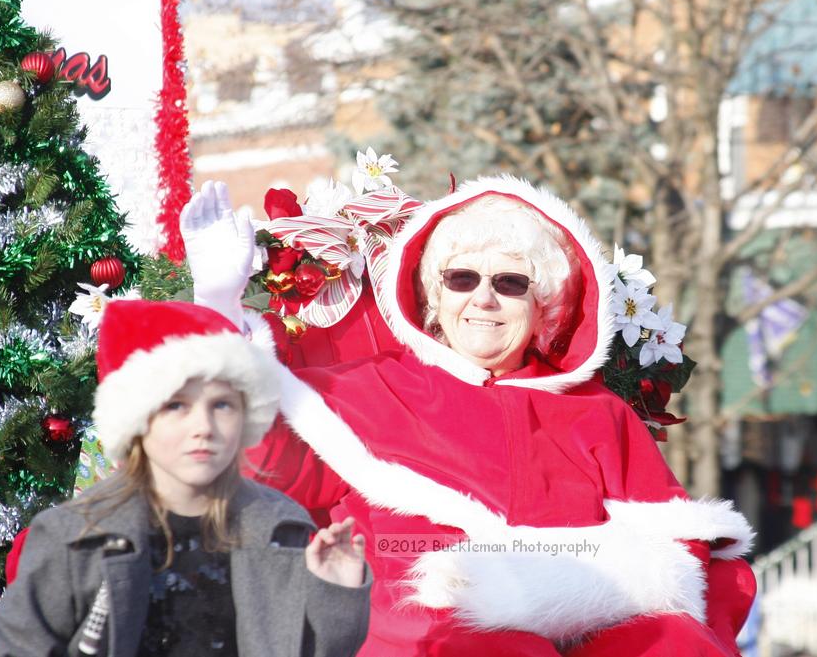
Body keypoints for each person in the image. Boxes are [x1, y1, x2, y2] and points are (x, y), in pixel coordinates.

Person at [183, 175, 758, 656]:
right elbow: (266, 458)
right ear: (436, 297)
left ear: (544, 306)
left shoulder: (597, 413)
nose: (483, 299)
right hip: (415, 628)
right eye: (462, 278)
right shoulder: (370, 389)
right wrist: (220, 305)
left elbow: (684, 553)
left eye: (510, 283)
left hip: (587, 626)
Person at [0, 300, 371, 657]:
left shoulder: (280, 525)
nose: (203, 427)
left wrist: (334, 594)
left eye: (221, 404)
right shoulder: (75, 538)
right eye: (177, 406)